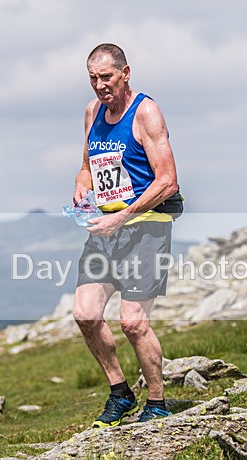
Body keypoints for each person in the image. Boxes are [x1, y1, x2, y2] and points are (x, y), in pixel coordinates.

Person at [72, 43, 181, 428]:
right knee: (85, 314)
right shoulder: (92, 112)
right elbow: (87, 166)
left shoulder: (146, 113)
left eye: (106, 77)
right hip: (105, 227)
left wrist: (123, 217)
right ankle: (120, 392)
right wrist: (82, 186)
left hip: (147, 227)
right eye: (93, 79)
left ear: (125, 73)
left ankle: (157, 401)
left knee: (133, 322)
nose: (100, 86)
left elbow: (168, 181)